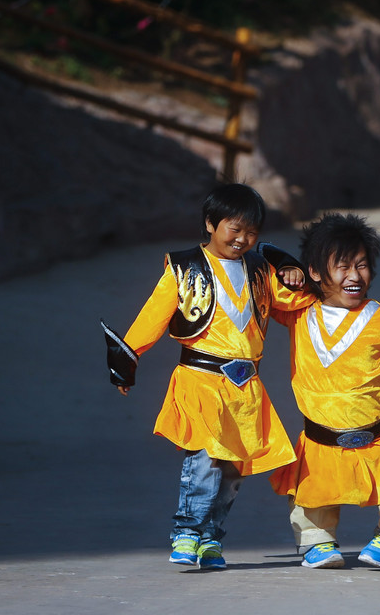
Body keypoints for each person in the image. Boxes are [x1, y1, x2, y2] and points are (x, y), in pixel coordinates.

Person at [101, 182, 313, 570]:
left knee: (232, 470)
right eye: (235, 228)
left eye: (252, 232)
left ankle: (211, 539)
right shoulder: (183, 268)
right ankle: (186, 532)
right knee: (204, 461)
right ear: (211, 224)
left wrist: (291, 269)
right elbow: (153, 316)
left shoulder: (259, 269)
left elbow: (296, 300)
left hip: (246, 387)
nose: (243, 238)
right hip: (199, 380)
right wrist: (126, 361)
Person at [269, 213, 380, 570]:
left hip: (379, 436)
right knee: (313, 495)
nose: (354, 276)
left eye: (362, 265)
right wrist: (284, 265)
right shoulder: (298, 313)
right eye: (342, 266)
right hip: (321, 439)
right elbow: (260, 273)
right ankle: (318, 542)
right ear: (314, 272)